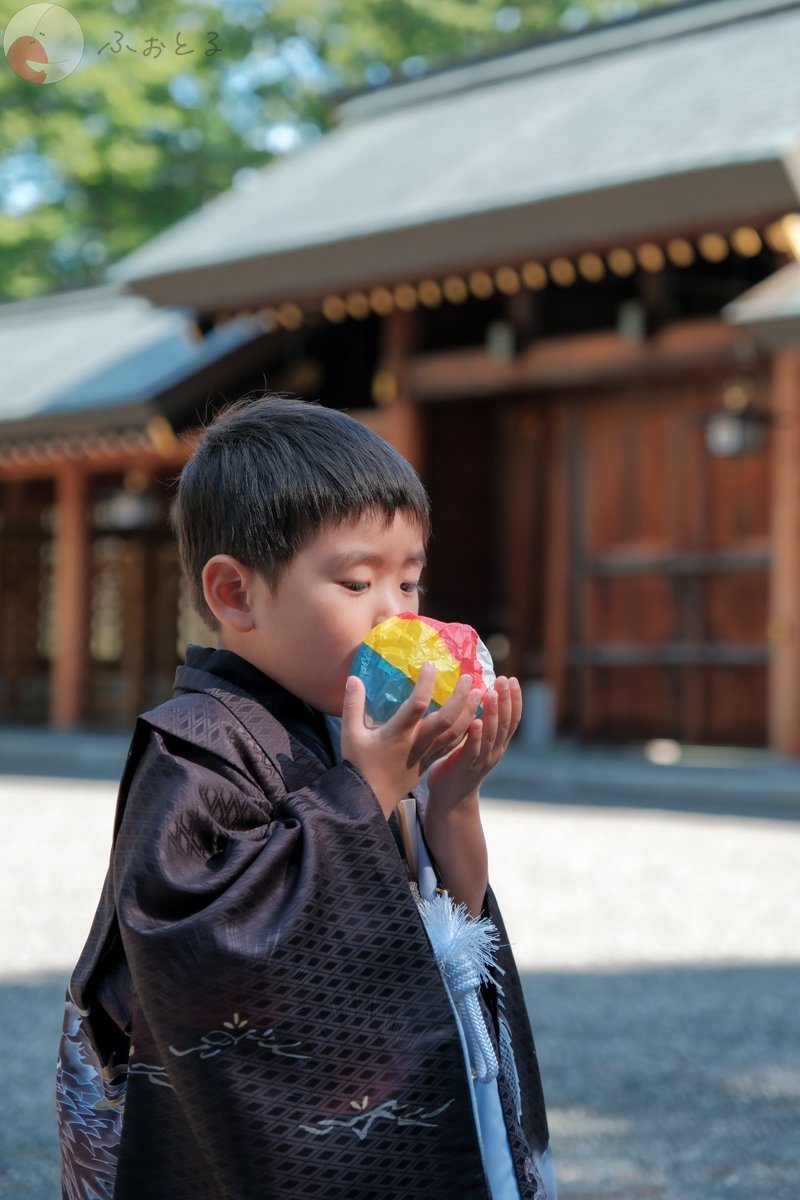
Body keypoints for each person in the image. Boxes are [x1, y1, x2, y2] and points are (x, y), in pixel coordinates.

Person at [57, 395, 557, 1200]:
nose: (398, 614)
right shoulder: (194, 744)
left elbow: (445, 929)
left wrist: (451, 800)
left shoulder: (347, 731)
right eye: (358, 582)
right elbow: (196, 946)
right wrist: (362, 796)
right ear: (236, 595)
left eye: (410, 581)